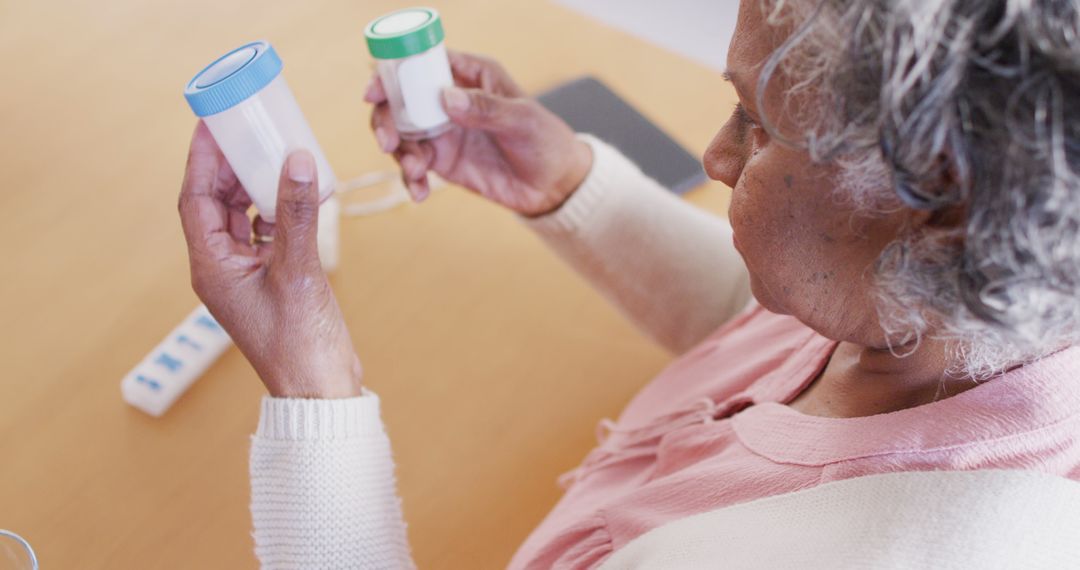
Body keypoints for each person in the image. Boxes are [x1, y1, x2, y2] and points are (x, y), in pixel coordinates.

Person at [177, 0, 1080, 567]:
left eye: (760, 126)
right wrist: (570, 187)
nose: (716, 155)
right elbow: (760, 327)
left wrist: (314, 396)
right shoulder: (973, 305)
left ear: (939, 214)